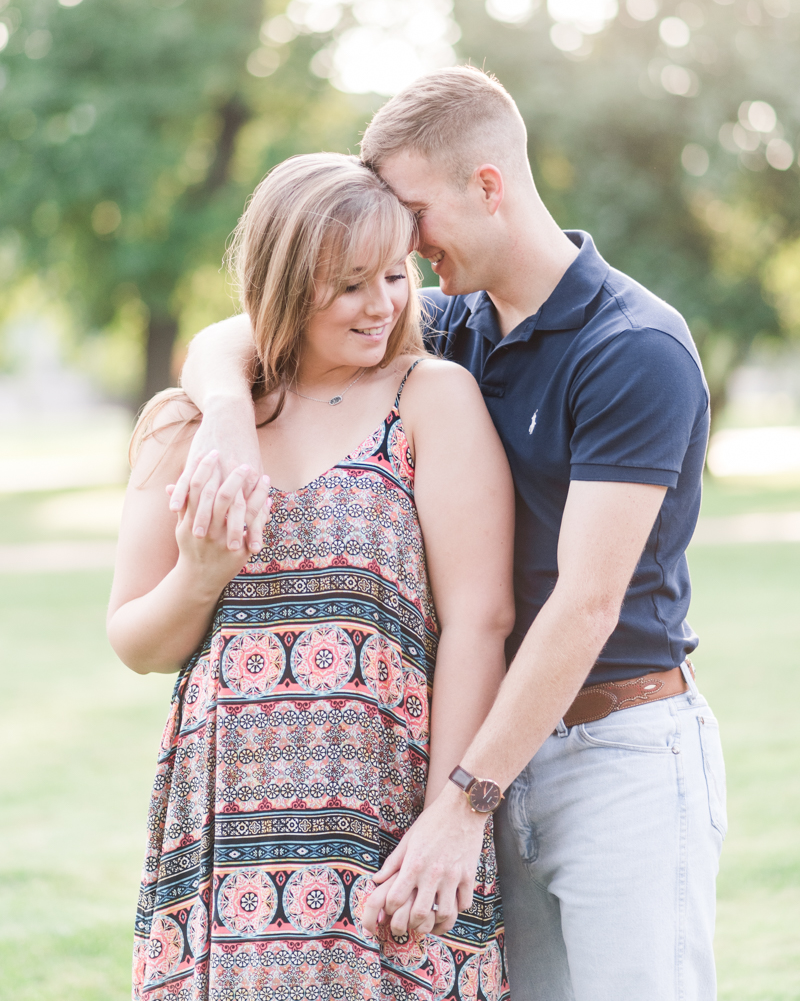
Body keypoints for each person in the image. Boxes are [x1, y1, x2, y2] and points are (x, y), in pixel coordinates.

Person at [174, 67, 727, 1001]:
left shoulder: (633, 347)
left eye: (416, 212)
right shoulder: (450, 326)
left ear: (488, 184)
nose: (405, 246)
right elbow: (246, 330)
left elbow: (584, 606)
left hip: (616, 753)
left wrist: (461, 805)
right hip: (490, 752)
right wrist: (225, 419)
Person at [107, 153, 515, 1001]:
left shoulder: (429, 397)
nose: (384, 305)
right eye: (349, 284)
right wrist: (200, 575)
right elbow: (135, 641)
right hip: (228, 833)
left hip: (386, 811)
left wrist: (449, 821)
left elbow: (480, 620)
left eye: (394, 275)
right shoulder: (190, 424)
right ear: (285, 282)